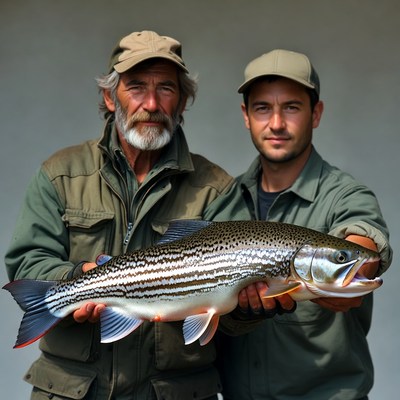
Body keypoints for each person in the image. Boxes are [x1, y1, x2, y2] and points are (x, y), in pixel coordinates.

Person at [4, 30, 261, 400]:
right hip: (70, 391)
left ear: (183, 102)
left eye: (167, 89)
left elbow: (230, 320)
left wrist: (250, 307)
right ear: (110, 97)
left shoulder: (216, 188)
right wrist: (75, 278)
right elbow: (28, 260)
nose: (152, 103)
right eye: (136, 86)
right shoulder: (60, 173)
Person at [215, 49, 393, 400]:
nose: (277, 123)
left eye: (292, 107)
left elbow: (365, 245)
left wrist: (354, 263)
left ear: (317, 114)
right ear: (245, 116)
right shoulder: (224, 200)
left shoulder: (345, 194)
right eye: (262, 107)